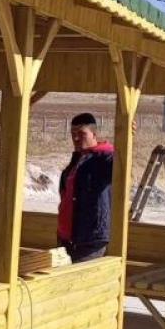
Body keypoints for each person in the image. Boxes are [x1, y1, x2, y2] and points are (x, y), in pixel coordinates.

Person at [57, 112, 114, 263]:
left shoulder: (105, 158)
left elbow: (122, 164)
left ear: (94, 134)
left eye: (81, 134)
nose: (76, 138)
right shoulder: (77, 160)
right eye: (73, 134)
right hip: (67, 238)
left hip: (90, 241)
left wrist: (128, 138)